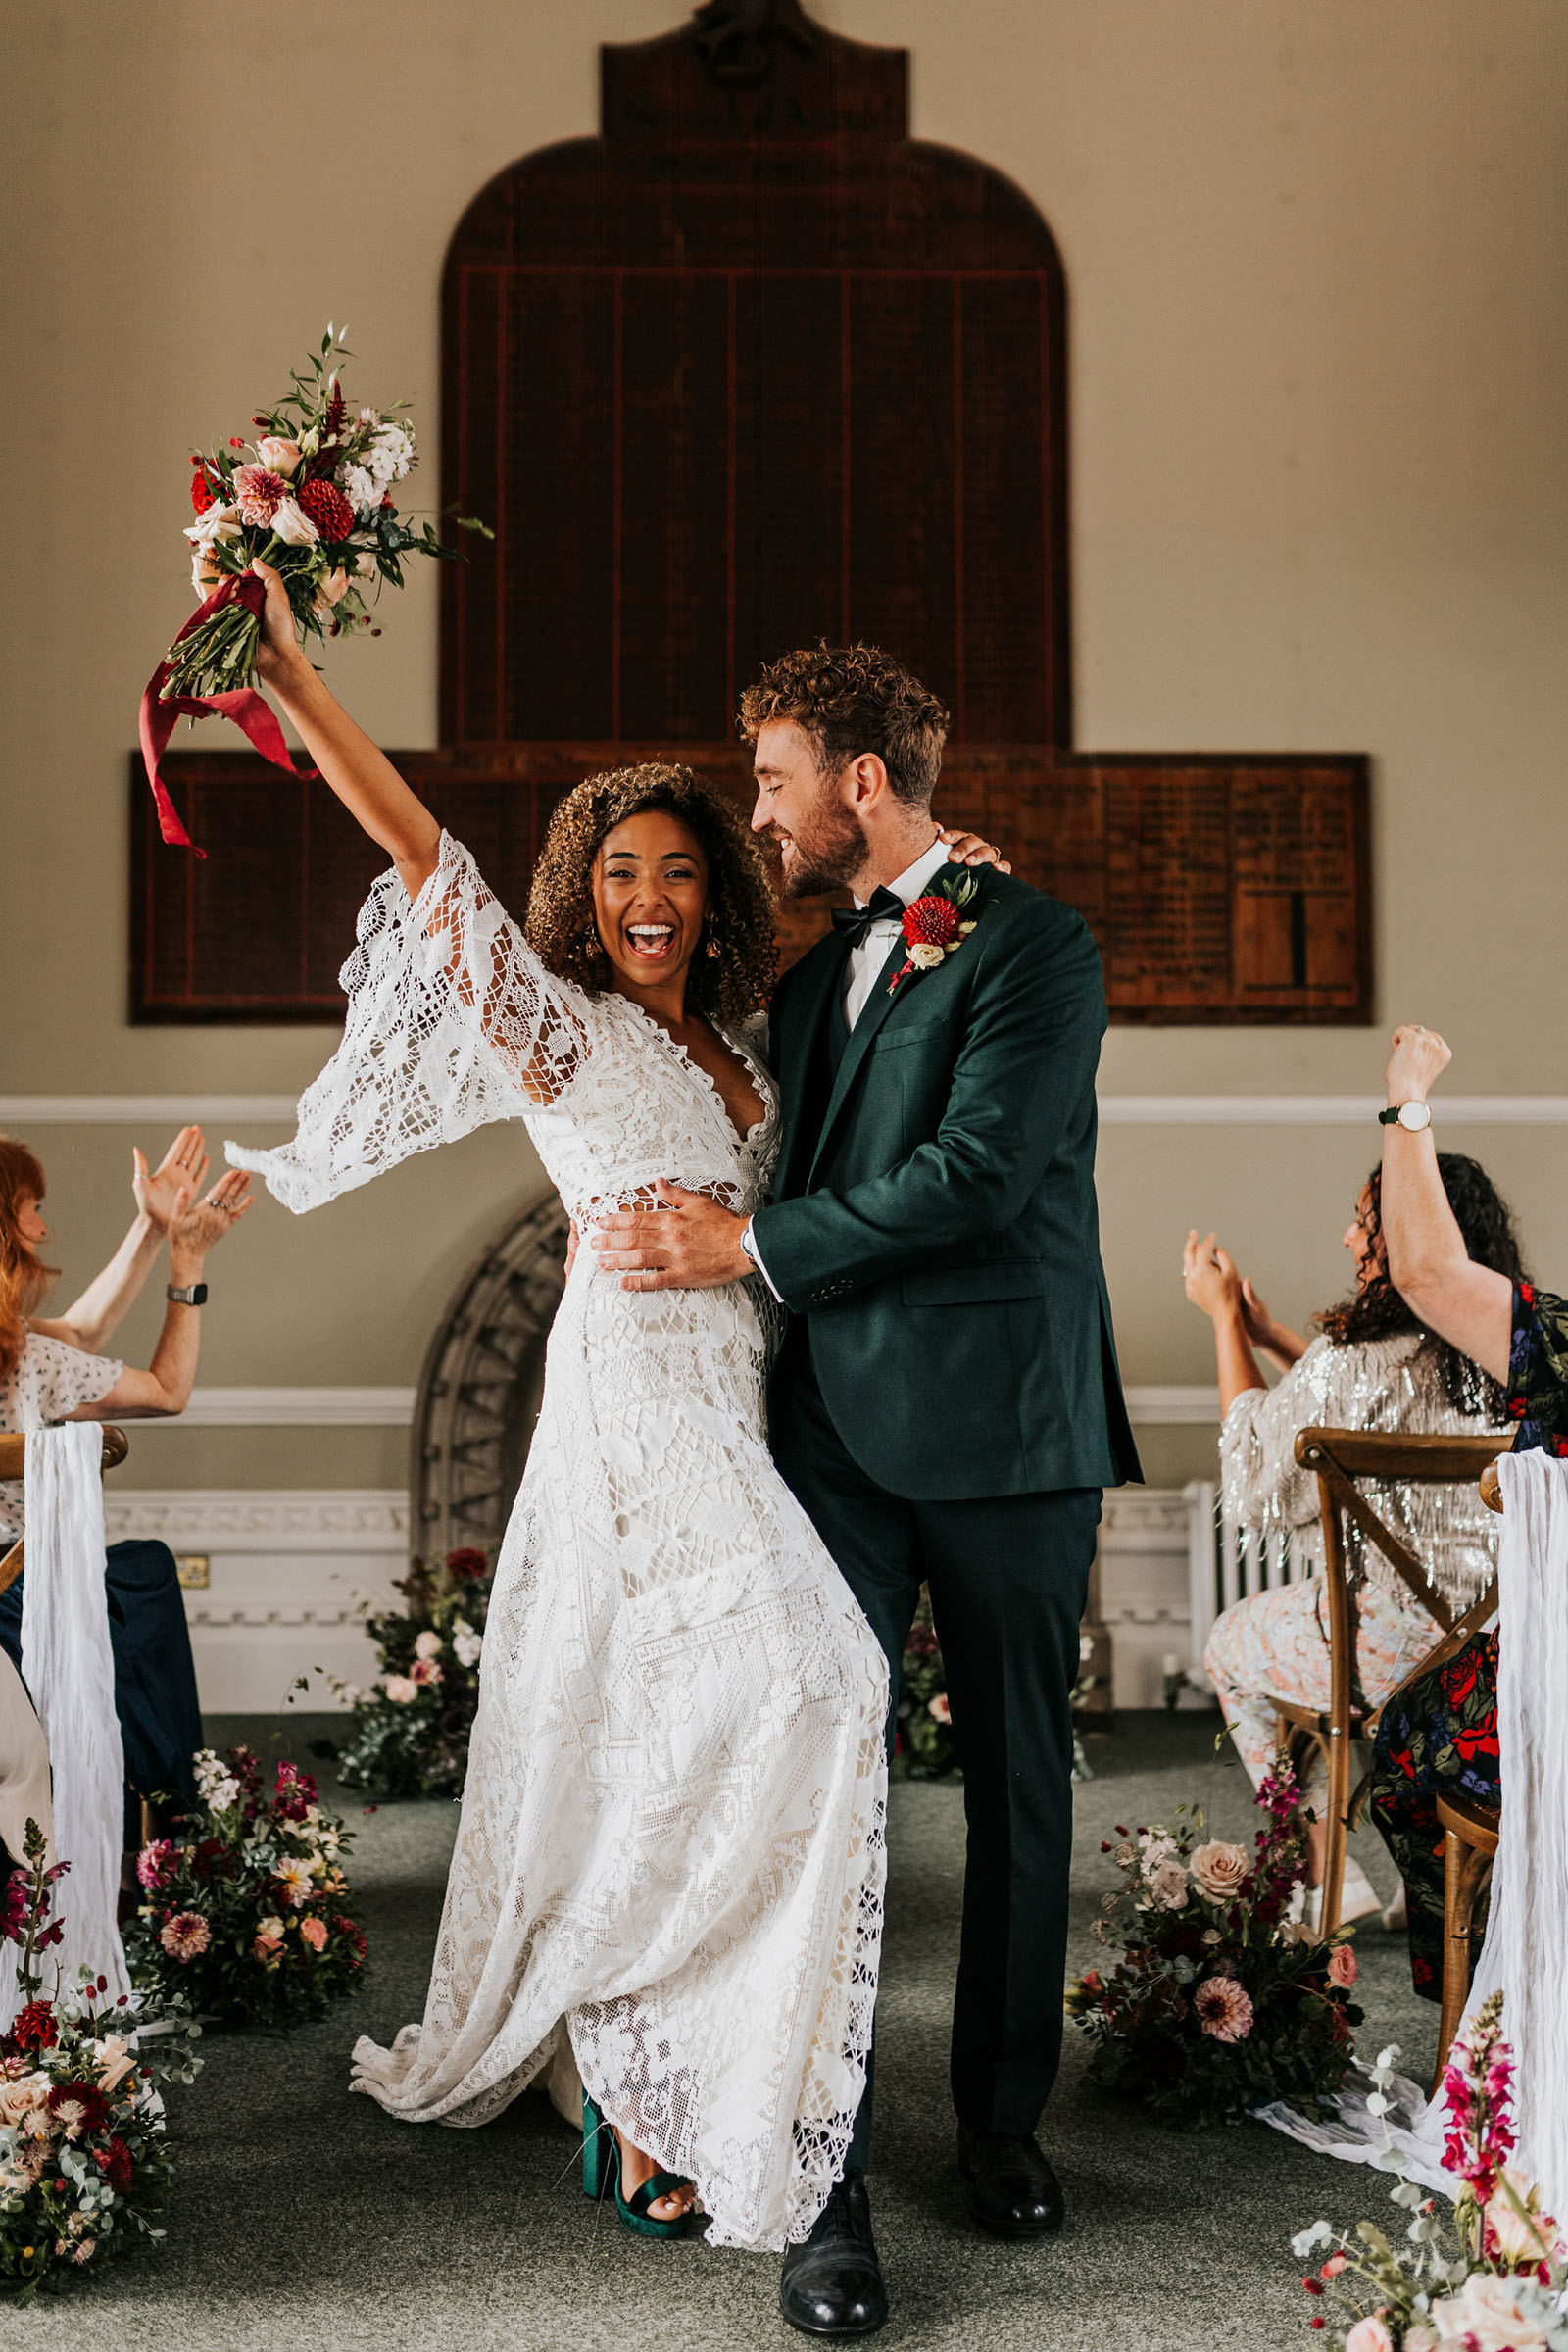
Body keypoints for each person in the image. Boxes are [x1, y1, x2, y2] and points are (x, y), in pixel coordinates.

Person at [223, 561, 1007, 2259]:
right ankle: (642, 2058)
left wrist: (967, 886)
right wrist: (291, 678)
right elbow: (424, 861)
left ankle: (665, 2075)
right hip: (635, 1414)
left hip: (748, 1405)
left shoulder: (753, 1046)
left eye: (678, 869)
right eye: (618, 874)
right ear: (585, 898)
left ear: (718, 890)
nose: (650, 896)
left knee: (714, 1727)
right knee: (817, 1678)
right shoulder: (560, 1033)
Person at [592, 644, 1141, 2336]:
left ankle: (1000, 2122)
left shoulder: (1038, 946)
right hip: (829, 1437)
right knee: (813, 1792)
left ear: (863, 783)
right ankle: (818, 2182)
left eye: (773, 783)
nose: (759, 813)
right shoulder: (822, 967)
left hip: (1008, 1433)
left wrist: (747, 1245)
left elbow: (977, 1176)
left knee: (1018, 1790)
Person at [1183, 1157, 1516, 1925]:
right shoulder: (1508, 1355)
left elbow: (1256, 1468)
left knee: (1229, 1645)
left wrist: (1224, 1319)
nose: (1347, 1237)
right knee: (1379, 1642)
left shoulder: (1349, 1362)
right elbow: (1350, 1414)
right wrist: (1272, 1337)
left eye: (1364, 1225)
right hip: (1498, 1650)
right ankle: (1428, 1884)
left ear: (1404, 1236)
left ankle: (1322, 1867)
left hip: (1388, 1656)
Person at [1366, 1023, 1562, 1999]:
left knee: (1408, 1735)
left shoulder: (1561, 1348)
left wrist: (1407, 1098)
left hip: (1547, 1726)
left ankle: (1478, 1984)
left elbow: (1426, 1273)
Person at [0, 1131, 251, 1838]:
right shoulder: (26, 1362)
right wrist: (186, 1259)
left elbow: (79, 1333)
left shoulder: (30, 1352)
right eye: (31, 1208)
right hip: (15, 1597)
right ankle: (173, 1820)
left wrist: (150, 1223)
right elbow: (168, 1391)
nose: (43, 1229)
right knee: (144, 1574)